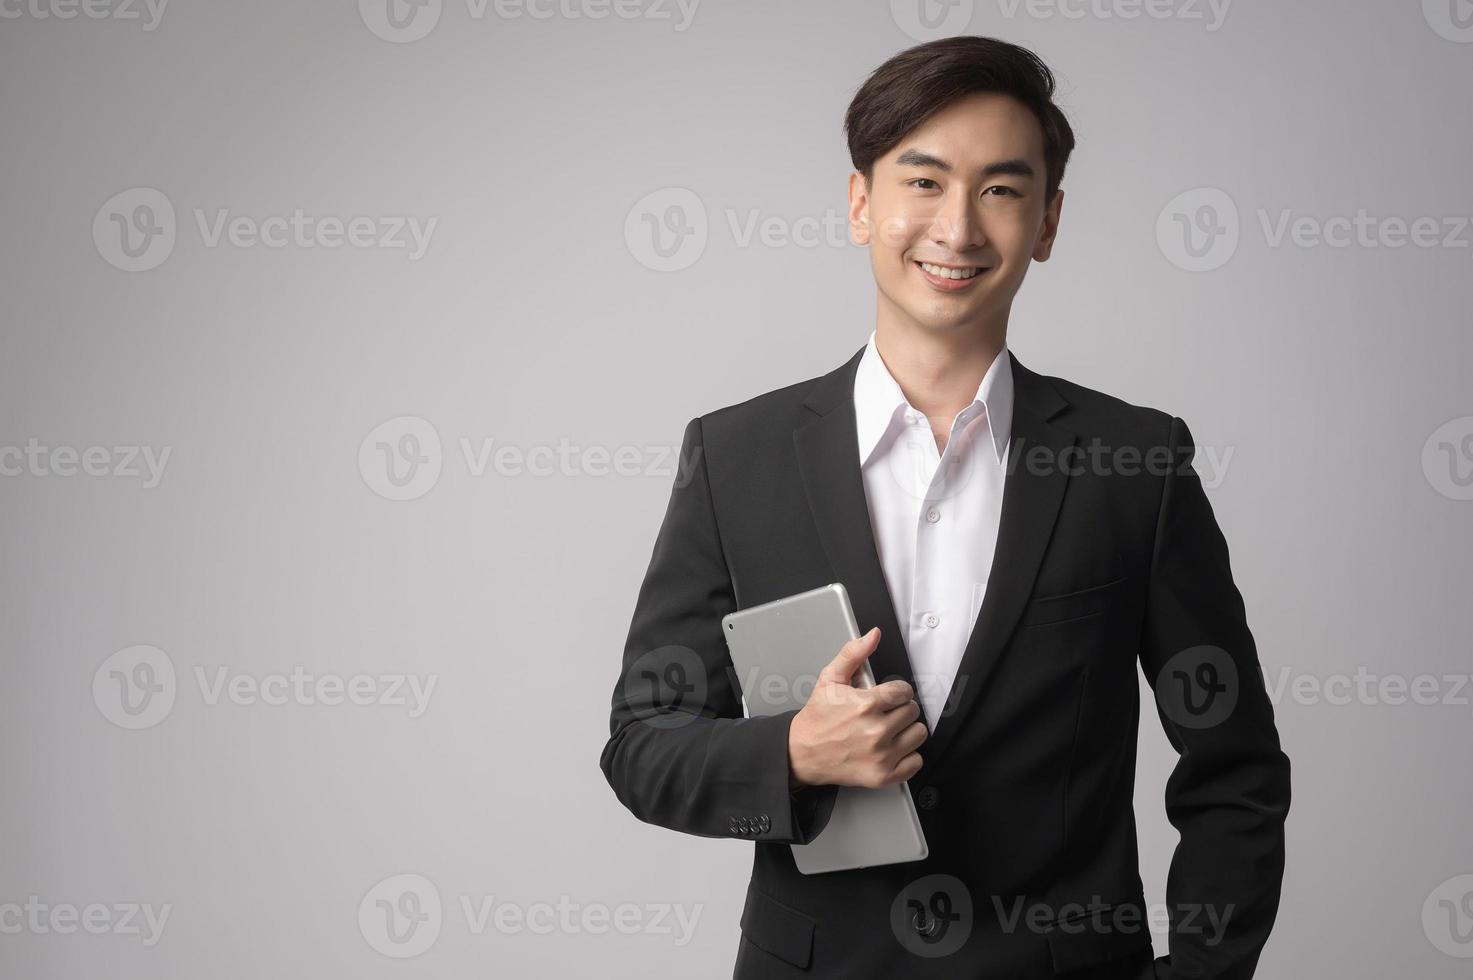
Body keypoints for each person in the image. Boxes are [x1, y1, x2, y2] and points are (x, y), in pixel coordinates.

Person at [599, 35, 1290, 979]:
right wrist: (792, 755)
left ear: (1046, 223)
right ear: (860, 205)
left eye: (1000, 191)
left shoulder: (1136, 464)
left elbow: (1235, 770)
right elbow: (642, 745)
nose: (957, 228)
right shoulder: (735, 458)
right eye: (921, 183)